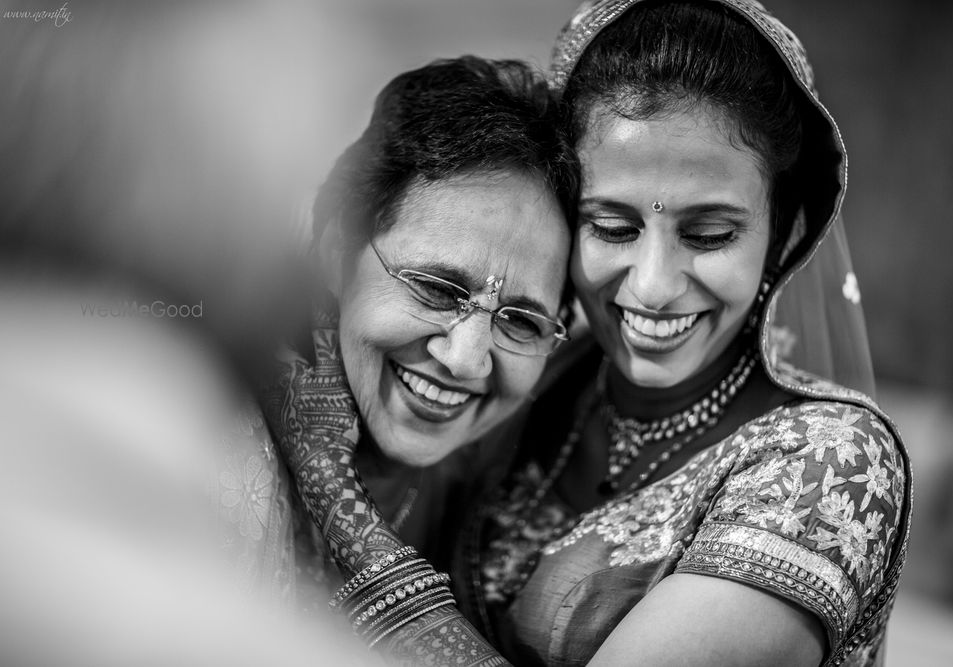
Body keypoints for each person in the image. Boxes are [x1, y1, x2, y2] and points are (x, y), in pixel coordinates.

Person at [269, 1, 913, 665]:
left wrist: (337, 502)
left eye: (709, 234)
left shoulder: (831, 462)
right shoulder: (540, 375)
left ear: (785, 234)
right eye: (611, 227)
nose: (655, 284)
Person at [260, 53, 578, 595]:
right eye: (436, 289)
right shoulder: (217, 437)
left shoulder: (499, 483)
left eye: (522, 321)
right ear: (339, 250)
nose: (465, 358)